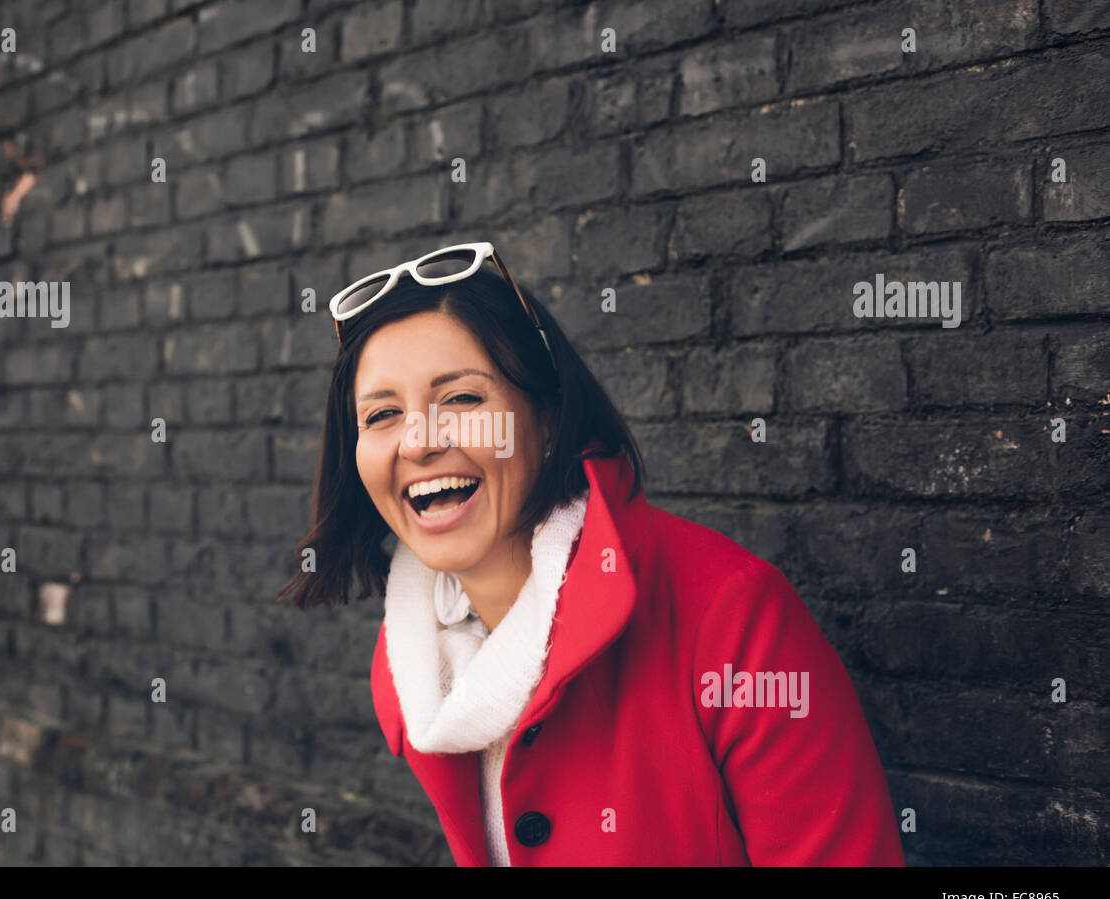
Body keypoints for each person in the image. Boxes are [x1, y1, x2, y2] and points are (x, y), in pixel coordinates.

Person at [278, 241, 905, 866]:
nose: (418, 443)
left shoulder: (731, 618)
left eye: (463, 400)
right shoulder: (412, 664)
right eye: (383, 414)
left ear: (546, 416)